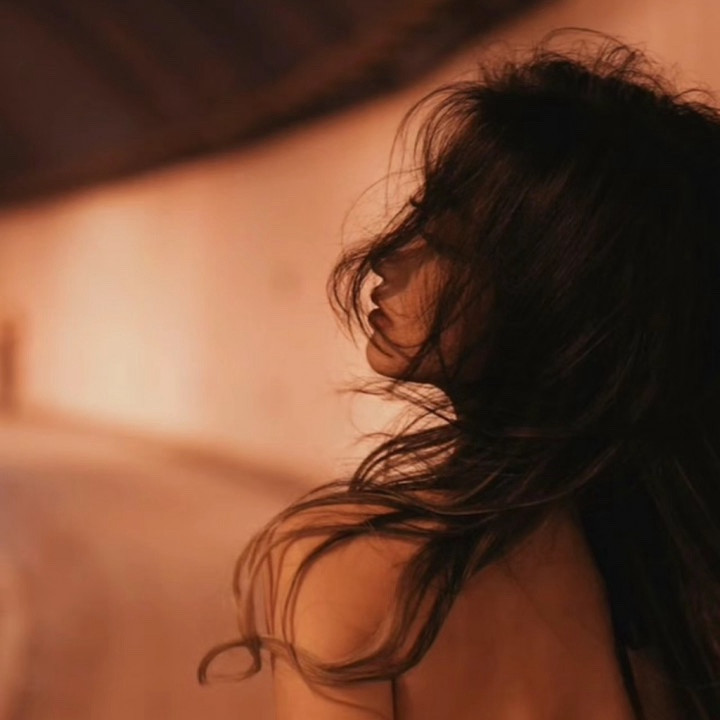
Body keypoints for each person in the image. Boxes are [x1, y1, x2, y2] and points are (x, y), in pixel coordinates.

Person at [198, 28, 720, 719]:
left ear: (554, 297)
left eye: (445, 239)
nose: (390, 258)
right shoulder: (681, 586)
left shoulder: (347, 569)